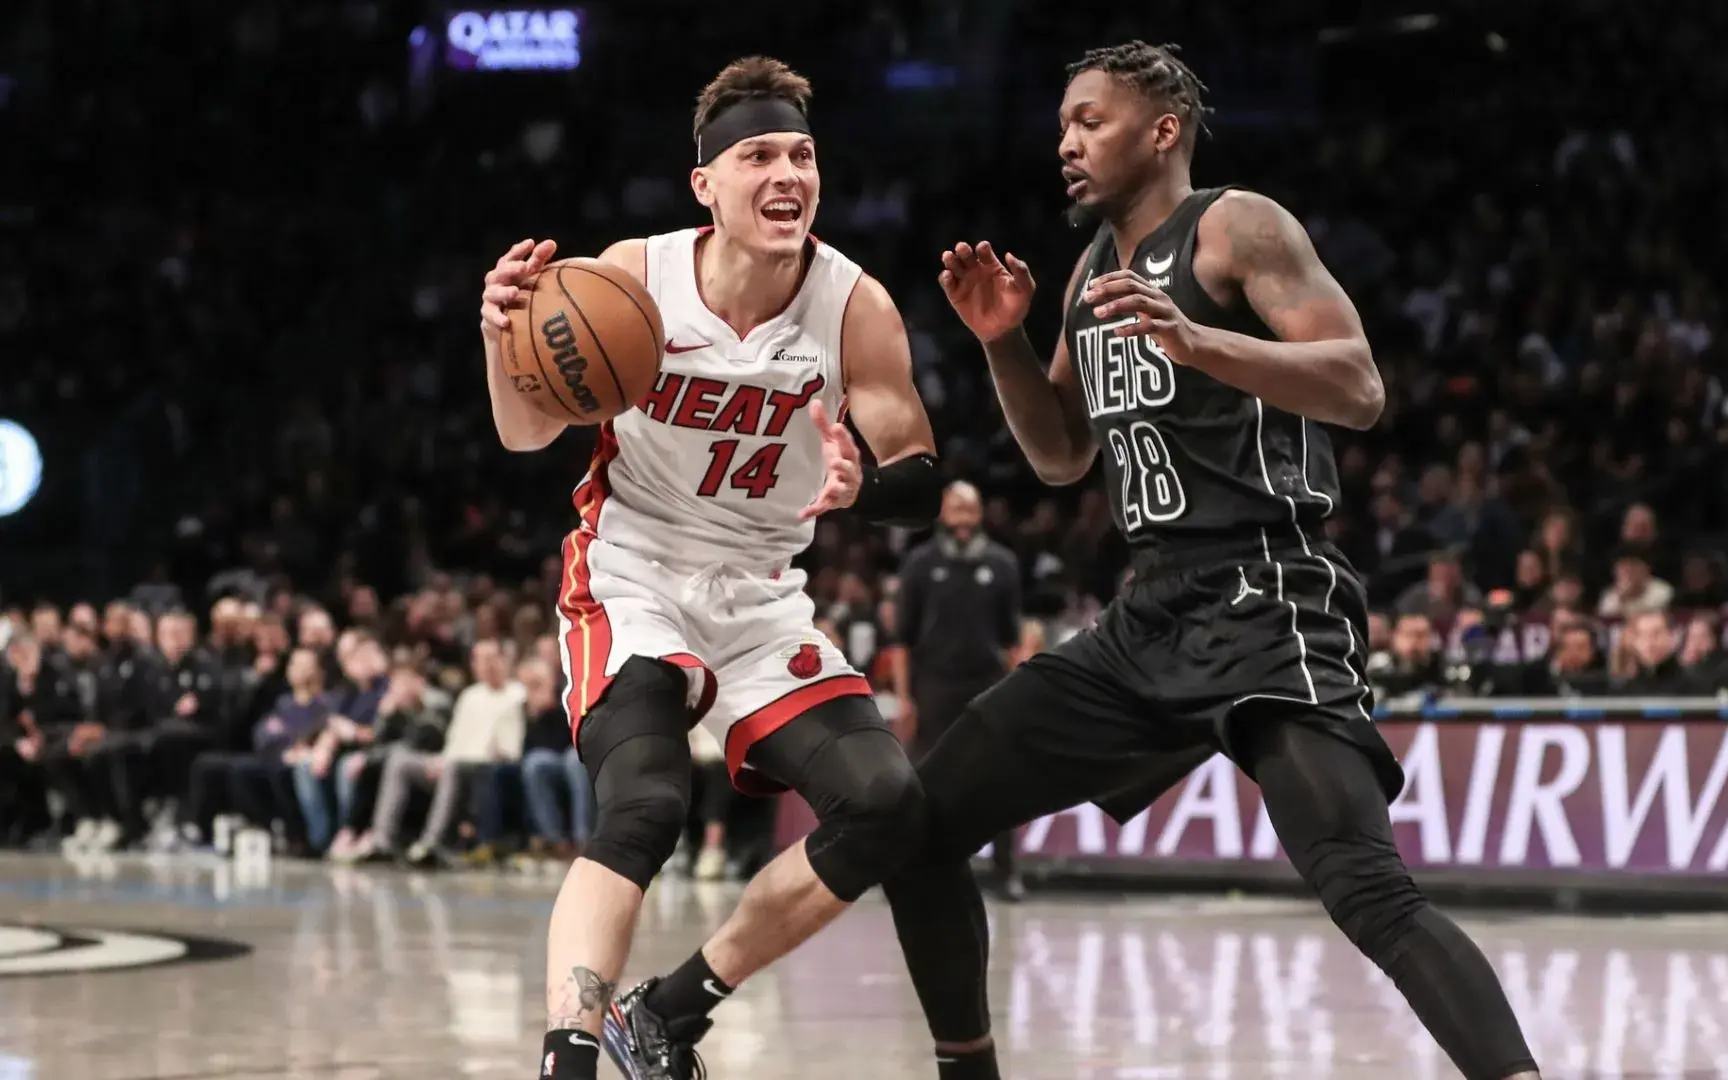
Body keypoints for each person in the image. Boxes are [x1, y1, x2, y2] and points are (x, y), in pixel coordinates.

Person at [620, 41, 1543, 1080]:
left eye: (1089, 122)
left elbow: (1358, 385)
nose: (1065, 143)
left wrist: (1202, 345)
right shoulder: (1092, 270)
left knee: (1365, 889)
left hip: (1269, 594)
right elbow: (1061, 455)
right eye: (1062, 124)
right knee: (919, 822)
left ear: (1163, 131)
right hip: (1148, 616)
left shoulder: (1239, 225)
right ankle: (957, 1067)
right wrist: (1002, 342)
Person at [476, 56, 942, 1080]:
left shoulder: (853, 305)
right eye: (761, 155)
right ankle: (571, 1059)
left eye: (804, 155)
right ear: (707, 185)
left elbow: (922, 472)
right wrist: (500, 336)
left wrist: (866, 486)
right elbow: (524, 432)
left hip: (761, 594)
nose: (789, 175)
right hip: (633, 565)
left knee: (887, 803)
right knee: (644, 803)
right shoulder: (631, 279)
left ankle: (672, 1009)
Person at [894, 480, 1024, 898]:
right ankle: (916, 867)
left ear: (980, 514)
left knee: (996, 779)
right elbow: (901, 639)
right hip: (933, 685)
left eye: (970, 511)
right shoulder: (918, 564)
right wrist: (903, 696)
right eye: (956, 511)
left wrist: (1017, 688)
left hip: (986, 682)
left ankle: (1006, 872)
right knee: (924, 781)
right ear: (942, 515)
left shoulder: (1003, 565)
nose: (963, 520)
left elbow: (1012, 639)